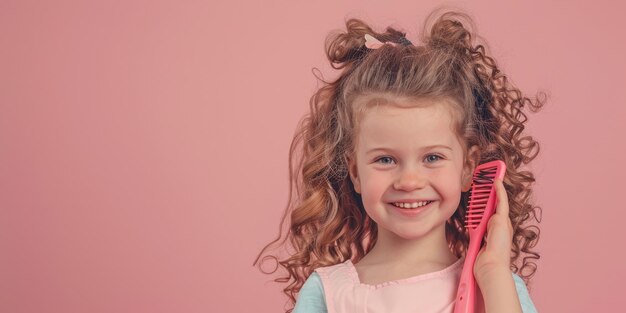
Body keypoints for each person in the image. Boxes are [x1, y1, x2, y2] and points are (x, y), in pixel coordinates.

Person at [254, 7, 545, 313]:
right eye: (385, 160)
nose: (409, 181)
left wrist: (493, 273)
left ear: (468, 168)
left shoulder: (497, 287)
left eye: (432, 157)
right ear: (354, 171)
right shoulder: (330, 293)